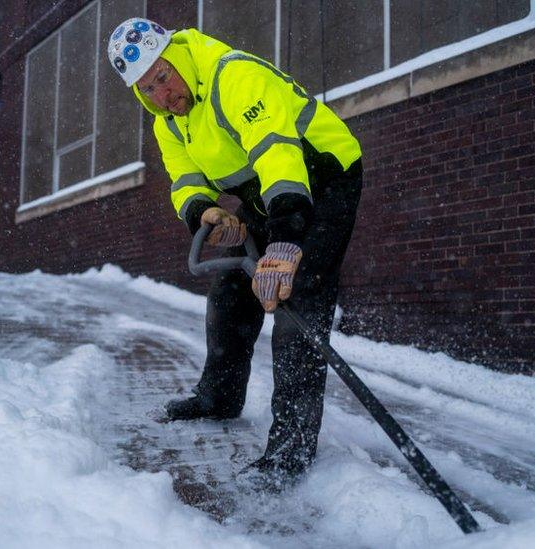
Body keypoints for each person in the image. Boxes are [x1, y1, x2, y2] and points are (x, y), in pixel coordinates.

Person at [107, 17, 362, 483]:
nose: (162, 95)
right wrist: (203, 212)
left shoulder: (233, 75)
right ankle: (218, 397)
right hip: (264, 193)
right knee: (231, 288)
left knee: (299, 290)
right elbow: (183, 179)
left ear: (177, 56)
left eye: (163, 77)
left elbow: (277, 155)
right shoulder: (169, 121)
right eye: (147, 89)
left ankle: (291, 450)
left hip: (322, 177)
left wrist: (286, 242)